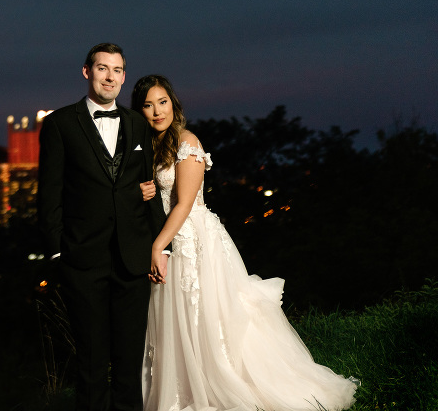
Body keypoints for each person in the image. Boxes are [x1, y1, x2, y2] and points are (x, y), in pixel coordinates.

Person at [131, 75, 358, 411]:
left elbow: (183, 203)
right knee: (175, 324)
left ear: (173, 104)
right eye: (148, 105)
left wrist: (157, 247)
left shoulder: (187, 142)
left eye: (162, 102)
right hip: (170, 241)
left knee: (206, 318)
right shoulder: (148, 147)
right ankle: (183, 393)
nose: (156, 111)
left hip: (194, 242)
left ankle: (220, 389)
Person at [38, 43, 167, 411]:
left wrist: (162, 247)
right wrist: (59, 252)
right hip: (82, 260)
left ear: (124, 76)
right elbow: (49, 194)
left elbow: (150, 192)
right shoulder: (60, 124)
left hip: (133, 259)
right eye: (102, 68)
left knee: (130, 363)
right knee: (91, 363)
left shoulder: (138, 124)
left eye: (117, 70)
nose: (110, 76)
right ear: (86, 72)